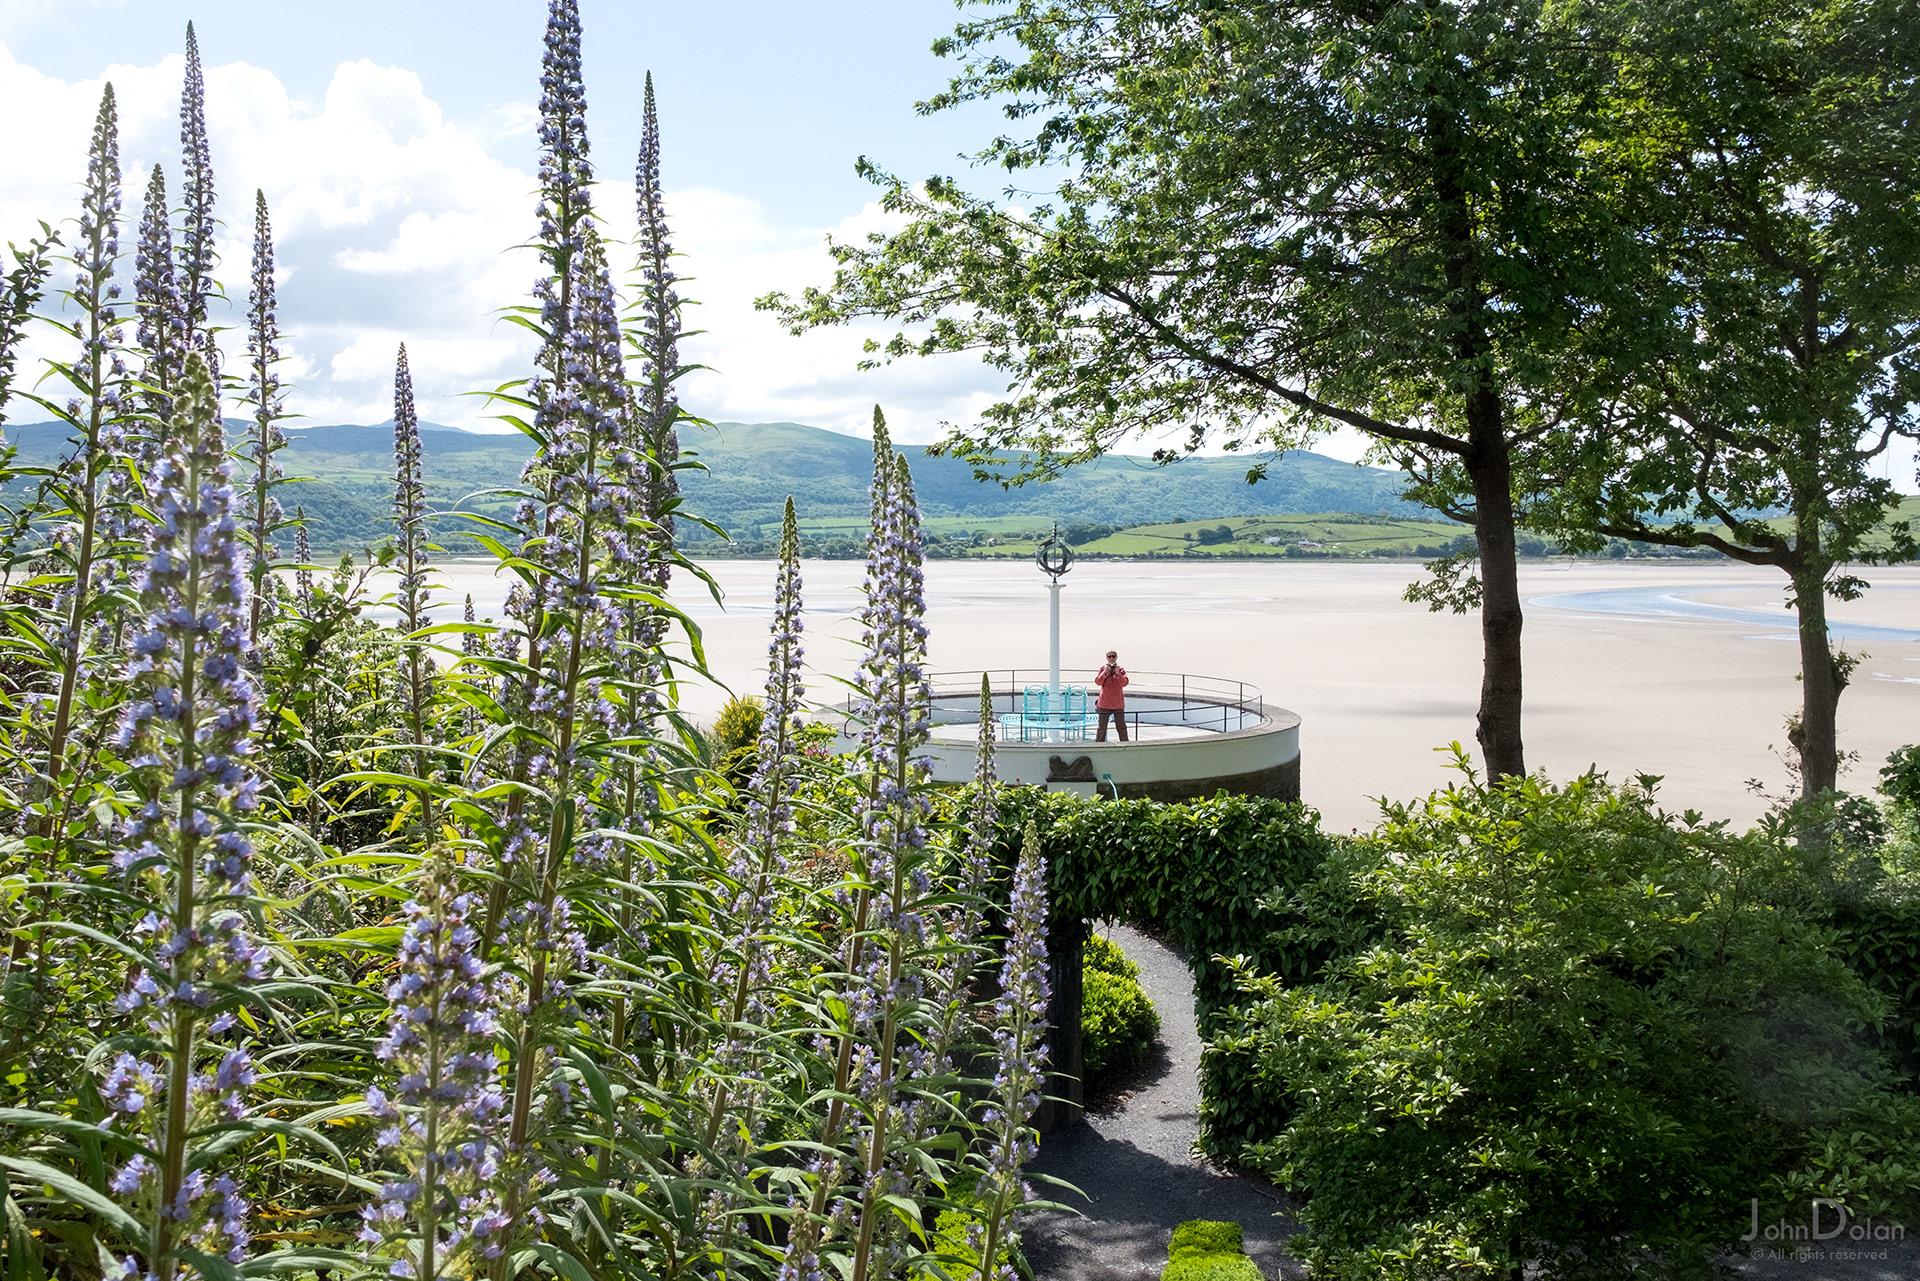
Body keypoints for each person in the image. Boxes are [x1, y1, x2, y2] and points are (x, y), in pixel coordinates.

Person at [1094, 649, 1129, 742]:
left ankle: (1125, 745)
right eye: (1109, 656)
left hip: (1118, 704)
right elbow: (1098, 682)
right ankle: (1099, 746)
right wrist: (1105, 672)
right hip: (1104, 704)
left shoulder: (1121, 670)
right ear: (1106, 658)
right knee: (1102, 728)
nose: (1111, 658)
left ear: (1116, 657)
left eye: (1113, 656)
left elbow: (1124, 683)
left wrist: (1118, 674)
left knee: (1121, 727)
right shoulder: (1102, 669)